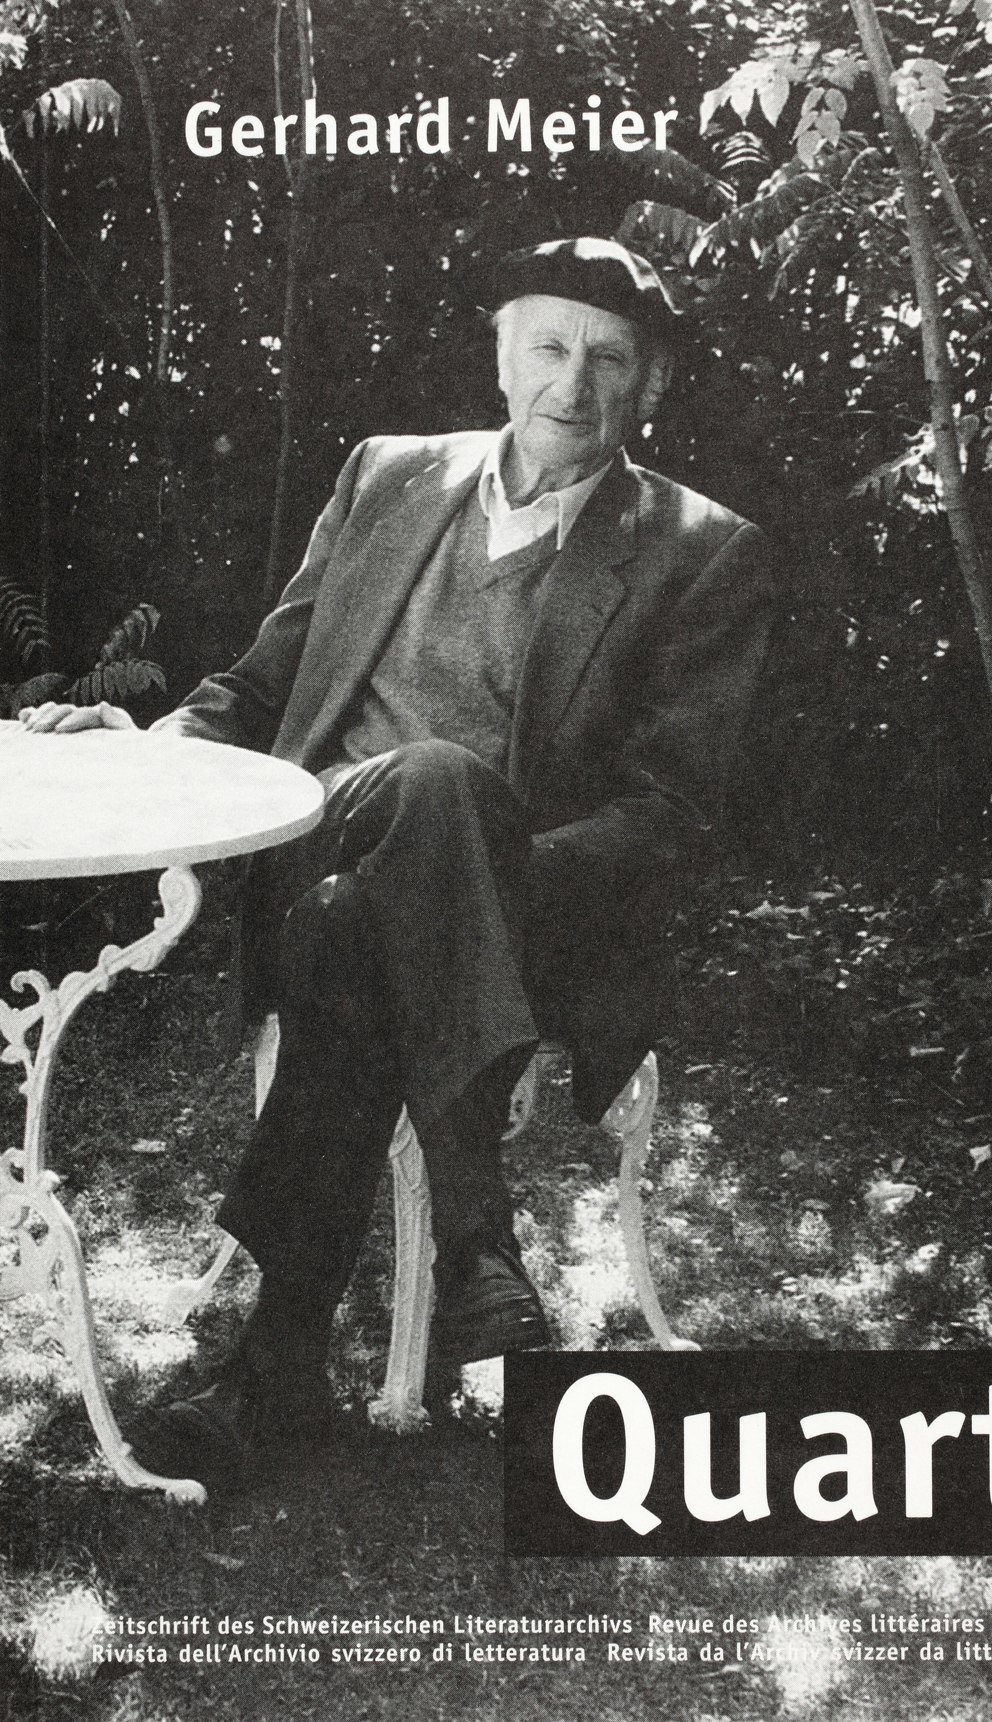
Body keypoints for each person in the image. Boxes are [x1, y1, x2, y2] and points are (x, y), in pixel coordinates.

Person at [21, 237, 772, 1489]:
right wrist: (146, 745)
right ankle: (478, 1233)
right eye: (547, 347)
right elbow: (261, 685)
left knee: (359, 916)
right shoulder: (387, 475)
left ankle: (273, 1366)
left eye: (607, 360)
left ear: (649, 385)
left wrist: (486, 874)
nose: (571, 385)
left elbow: (668, 816)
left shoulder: (699, 550)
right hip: (318, 831)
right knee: (426, 786)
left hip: (512, 916)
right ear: (499, 356)